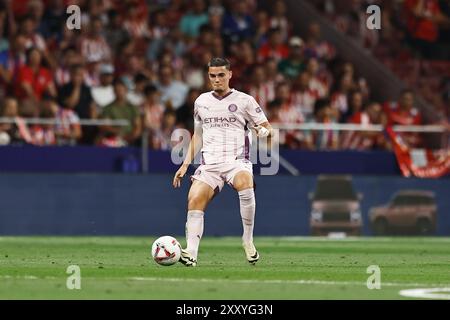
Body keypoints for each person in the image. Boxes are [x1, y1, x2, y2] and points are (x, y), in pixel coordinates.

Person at [172, 57, 273, 267]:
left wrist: (262, 131)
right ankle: (190, 253)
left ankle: (247, 240)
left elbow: (267, 128)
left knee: (245, 183)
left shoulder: (245, 100)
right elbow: (197, 135)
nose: (216, 79)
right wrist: (184, 165)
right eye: (212, 75)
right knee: (195, 199)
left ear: (229, 75)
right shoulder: (201, 102)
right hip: (209, 163)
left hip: (236, 161)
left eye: (220, 75)